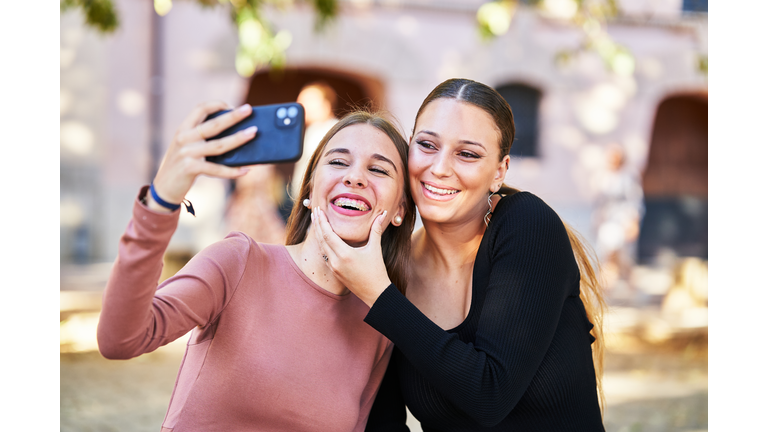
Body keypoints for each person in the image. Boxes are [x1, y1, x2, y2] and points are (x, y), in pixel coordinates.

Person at [96, 101, 416, 431]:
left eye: (378, 170)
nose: (354, 177)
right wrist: (161, 201)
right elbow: (120, 340)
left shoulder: (381, 323)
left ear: (400, 210)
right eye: (338, 162)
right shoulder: (238, 263)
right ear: (309, 187)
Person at [312, 78, 607, 431]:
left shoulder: (526, 224)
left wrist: (378, 295)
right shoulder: (389, 267)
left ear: (499, 172)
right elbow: (383, 420)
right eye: (426, 145)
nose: (439, 168)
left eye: (466, 153)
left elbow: (490, 395)